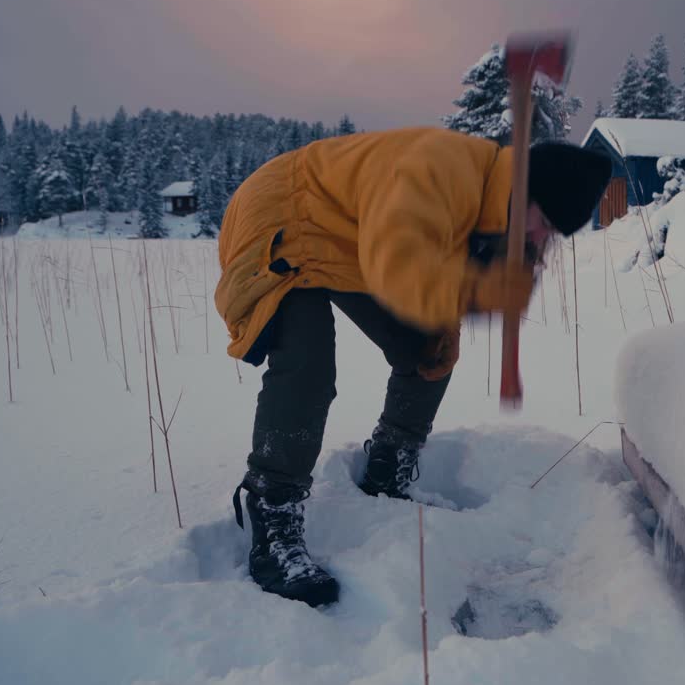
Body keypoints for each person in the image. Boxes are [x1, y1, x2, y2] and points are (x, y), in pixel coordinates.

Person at [214, 126, 611, 608]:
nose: (543, 237)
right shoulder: (438, 170)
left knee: (432, 345)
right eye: (545, 222)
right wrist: (481, 290)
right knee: (308, 364)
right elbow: (397, 269)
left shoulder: (494, 206)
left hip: (343, 237)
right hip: (281, 213)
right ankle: (272, 509)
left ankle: (388, 465)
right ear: (526, 193)